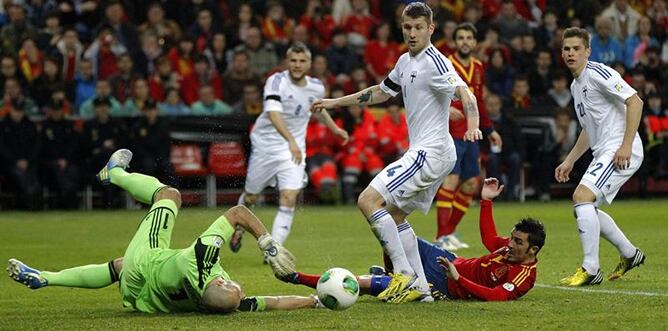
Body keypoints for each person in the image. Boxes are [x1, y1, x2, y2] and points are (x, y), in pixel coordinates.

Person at [8, 149, 321, 313]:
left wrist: (267, 242)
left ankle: (114, 173)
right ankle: (47, 277)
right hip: (142, 296)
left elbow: (238, 212)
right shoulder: (220, 303)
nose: (241, 291)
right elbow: (276, 301)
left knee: (169, 195)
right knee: (118, 266)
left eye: (235, 289)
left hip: (146, 261)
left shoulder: (202, 259)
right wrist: (316, 301)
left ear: (222, 281)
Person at [311, 3, 482, 303]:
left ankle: (402, 273)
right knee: (395, 215)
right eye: (407, 27)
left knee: (367, 200)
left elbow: (464, 92)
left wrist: (473, 124)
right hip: (434, 153)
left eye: (418, 27)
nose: (412, 33)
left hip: (431, 152)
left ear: (431, 29)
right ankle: (421, 289)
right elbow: (380, 91)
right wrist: (335, 103)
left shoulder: (436, 63)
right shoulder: (404, 62)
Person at [281, 178, 545, 302]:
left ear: (533, 250)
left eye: (518, 242)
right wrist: (486, 201)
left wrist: (457, 280)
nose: (510, 244)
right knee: (391, 228)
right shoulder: (508, 248)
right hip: (447, 261)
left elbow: (497, 296)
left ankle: (295, 277)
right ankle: (391, 272)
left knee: (359, 284)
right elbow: (489, 238)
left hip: (441, 284)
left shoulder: (524, 276)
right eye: (512, 238)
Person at [234, 43, 348, 250]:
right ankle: (239, 226)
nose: (297, 65)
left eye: (302, 61)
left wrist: (334, 129)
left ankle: (273, 251)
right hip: (266, 146)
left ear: (309, 63)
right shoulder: (276, 81)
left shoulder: (316, 86)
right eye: (293, 60)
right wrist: (291, 141)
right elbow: (273, 113)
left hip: (293, 150)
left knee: (289, 196)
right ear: (287, 62)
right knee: (251, 195)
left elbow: (318, 109)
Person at [556, 27, 646, 287]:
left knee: (581, 198)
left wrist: (626, 145)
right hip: (604, 149)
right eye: (567, 49)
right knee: (586, 207)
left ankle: (591, 269)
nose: (571, 53)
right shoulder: (576, 85)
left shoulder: (598, 73)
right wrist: (570, 159)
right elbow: (589, 127)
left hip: (619, 147)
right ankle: (630, 254)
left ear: (588, 51)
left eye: (576, 48)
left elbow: (635, 101)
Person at [435, 23, 501, 251]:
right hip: (449, 133)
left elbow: (479, 101)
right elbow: (432, 95)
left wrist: (490, 130)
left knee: (471, 184)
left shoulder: (479, 67)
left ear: (474, 42)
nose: (465, 41)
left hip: (471, 134)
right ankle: (441, 236)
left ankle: (449, 232)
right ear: (455, 42)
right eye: (460, 37)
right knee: (451, 181)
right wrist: (445, 111)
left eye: (469, 38)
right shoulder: (445, 65)